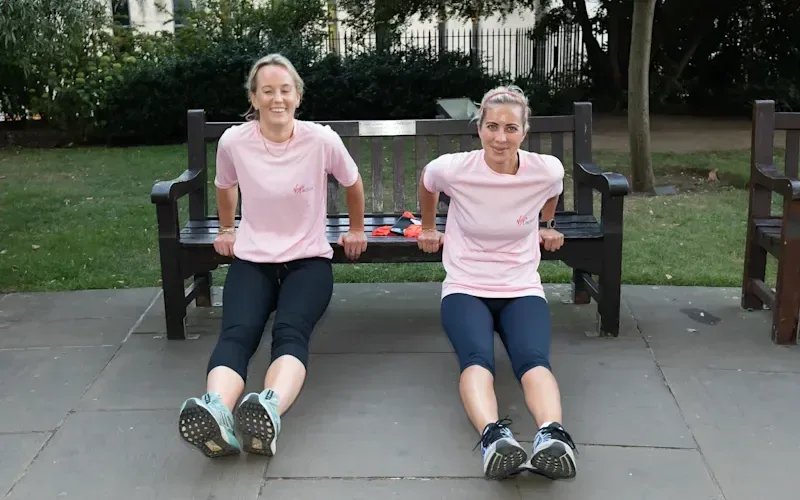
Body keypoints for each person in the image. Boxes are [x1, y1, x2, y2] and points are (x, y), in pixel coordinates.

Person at [177, 53, 367, 458]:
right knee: (237, 335)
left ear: (298, 95)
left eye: (285, 90)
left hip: (308, 260)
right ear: (254, 97)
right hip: (253, 260)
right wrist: (227, 229)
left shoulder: (321, 140)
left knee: (290, 333)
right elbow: (225, 185)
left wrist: (354, 229)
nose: (277, 98)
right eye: (268, 91)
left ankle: (267, 408)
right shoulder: (234, 142)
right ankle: (216, 412)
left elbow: (352, 182)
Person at [416, 85, 577, 481]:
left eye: (510, 128)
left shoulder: (547, 169)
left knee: (533, 361)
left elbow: (552, 191)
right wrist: (427, 226)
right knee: (476, 360)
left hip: (520, 286)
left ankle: (551, 436)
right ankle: (494, 438)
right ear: (479, 129)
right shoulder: (453, 168)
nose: (500, 138)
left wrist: (546, 224)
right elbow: (427, 182)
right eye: (491, 127)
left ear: (525, 131)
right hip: (466, 286)